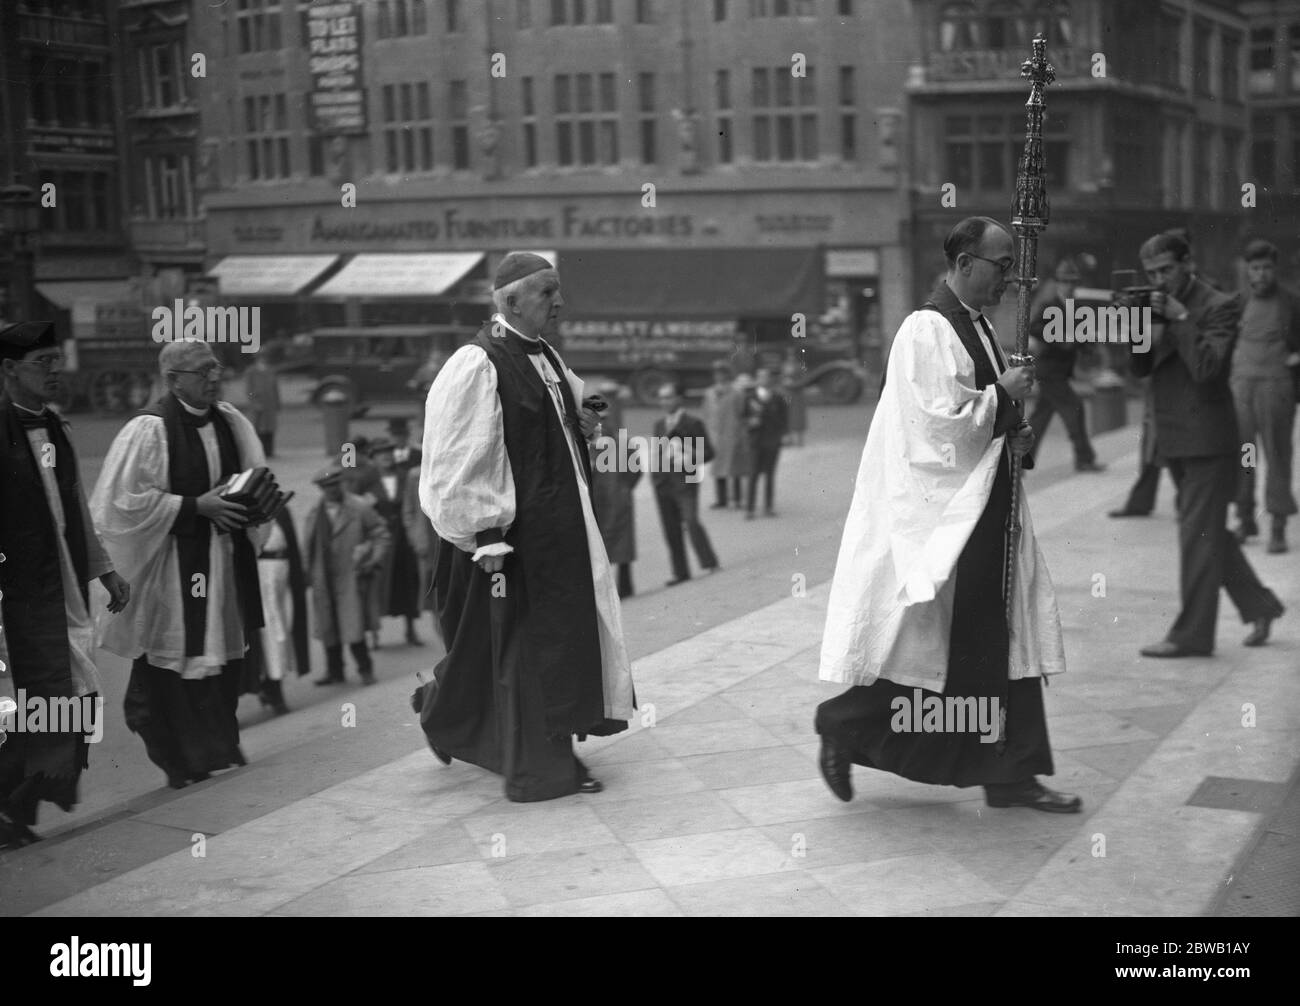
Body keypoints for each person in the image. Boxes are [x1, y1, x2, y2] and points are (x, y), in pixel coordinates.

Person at [816, 216, 1081, 814]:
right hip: (948, 516)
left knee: (997, 638)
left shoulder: (979, 326)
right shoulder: (925, 330)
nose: (1010, 279)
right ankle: (845, 723)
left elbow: (980, 419)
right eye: (1000, 266)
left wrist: (1014, 429)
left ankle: (1011, 774)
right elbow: (933, 427)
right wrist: (1001, 398)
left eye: (1012, 266)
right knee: (952, 645)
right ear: (962, 263)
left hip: (987, 503)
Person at [413, 250, 636, 802]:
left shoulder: (546, 357)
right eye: (546, 293)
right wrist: (486, 535)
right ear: (510, 301)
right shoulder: (476, 364)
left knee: (524, 648)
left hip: (559, 534)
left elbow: (560, 426)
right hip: (508, 543)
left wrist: (585, 421)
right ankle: (546, 766)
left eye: (558, 291)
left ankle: (440, 710)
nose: (559, 302)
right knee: (531, 652)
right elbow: (460, 456)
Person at [90, 340, 274, 790]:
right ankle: (177, 761)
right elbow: (118, 504)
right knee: (169, 667)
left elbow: (256, 473)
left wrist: (254, 502)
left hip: (224, 564)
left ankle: (214, 752)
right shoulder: (148, 430)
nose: (214, 378)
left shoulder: (231, 420)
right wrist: (194, 505)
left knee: (218, 665)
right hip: (171, 569)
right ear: (172, 380)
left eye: (216, 368)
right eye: (201, 372)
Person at [0, 322, 130, 848]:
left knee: (74, 702)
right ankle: (12, 804)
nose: (55, 371)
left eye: (57, 360)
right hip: (18, 599)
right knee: (39, 703)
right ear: (9, 371)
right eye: (42, 363)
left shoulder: (56, 429)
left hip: (66, 591)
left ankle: (17, 805)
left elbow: (73, 506)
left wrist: (106, 569)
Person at [1130, 231, 1286, 656]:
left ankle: (1191, 636)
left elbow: (1206, 369)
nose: (1160, 280)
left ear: (1187, 263)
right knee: (1207, 531)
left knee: (1196, 536)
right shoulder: (1157, 303)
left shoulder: (1220, 305)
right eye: (1152, 274)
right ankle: (1261, 606)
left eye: (1167, 270)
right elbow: (1140, 368)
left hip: (1209, 440)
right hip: (1174, 439)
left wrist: (1180, 320)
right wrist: (1138, 325)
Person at [1230, 239, 1300, 553]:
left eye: (1267, 268)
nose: (1261, 274)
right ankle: (1245, 518)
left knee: (1277, 455)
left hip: (1277, 387)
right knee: (1244, 454)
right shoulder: (1238, 301)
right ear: (1247, 270)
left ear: (1275, 269)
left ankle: (1278, 525)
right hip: (1242, 387)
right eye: (1255, 268)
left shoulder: (1291, 302)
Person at [303, 464, 390, 686]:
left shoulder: (359, 507)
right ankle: (335, 671)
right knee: (328, 624)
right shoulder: (315, 512)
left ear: (341, 483)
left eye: (335, 485)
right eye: (326, 487)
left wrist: (372, 558)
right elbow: (308, 546)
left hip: (351, 575)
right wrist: (307, 574)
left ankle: (365, 670)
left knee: (353, 624)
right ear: (321, 489)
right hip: (324, 577)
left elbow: (380, 533)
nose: (332, 490)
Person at [1026, 258, 1104, 472]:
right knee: (1075, 409)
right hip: (1049, 371)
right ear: (1057, 283)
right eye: (1065, 281)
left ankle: (1019, 461)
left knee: (1039, 419)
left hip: (1061, 371)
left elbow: (1082, 338)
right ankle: (1084, 459)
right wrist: (1059, 338)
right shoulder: (1049, 306)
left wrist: (1088, 348)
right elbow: (1033, 328)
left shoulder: (1077, 308)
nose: (1069, 286)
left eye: (1072, 282)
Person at [652, 382, 719, 586]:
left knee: (690, 520)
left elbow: (709, 452)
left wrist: (688, 458)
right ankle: (681, 572)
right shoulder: (659, 425)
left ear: (679, 399)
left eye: (669, 397)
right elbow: (659, 454)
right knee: (671, 528)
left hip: (686, 481)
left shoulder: (692, 423)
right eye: (662, 398)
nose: (665, 402)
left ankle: (709, 561)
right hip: (663, 483)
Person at [249, 502, 310, 715]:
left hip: (283, 571)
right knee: (271, 632)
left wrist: (299, 573)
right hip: (262, 573)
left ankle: (272, 685)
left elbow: (292, 544)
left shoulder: (279, 508)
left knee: (284, 628)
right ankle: (274, 690)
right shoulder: (247, 508)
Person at [364, 437, 423, 646]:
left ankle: (411, 630)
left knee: (407, 583)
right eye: (381, 455)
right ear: (374, 459)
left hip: (402, 540)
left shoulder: (404, 477)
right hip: (380, 541)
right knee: (376, 587)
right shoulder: (368, 481)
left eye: (389, 453)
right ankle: (374, 634)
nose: (386, 458)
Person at [590, 382, 641, 598]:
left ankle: (623, 587)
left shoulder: (618, 442)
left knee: (617, 542)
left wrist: (624, 487)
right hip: (606, 498)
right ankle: (618, 588)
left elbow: (635, 471)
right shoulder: (593, 445)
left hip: (613, 496)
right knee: (611, 542)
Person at [741, 368, 789, 519]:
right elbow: (742, 418)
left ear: (771, 380)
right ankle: (750, 508)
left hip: (772, 441)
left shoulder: (778, 398)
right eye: (761, 377)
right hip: (755, 441)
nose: (764, 380)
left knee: (770, 474)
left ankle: (768, 507)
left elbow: (784, 418)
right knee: (753, 474)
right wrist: (750, 422)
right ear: (757, 379)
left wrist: (783, 435)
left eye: (767, 377)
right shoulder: (750, 397)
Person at [701, 361, 742, 508]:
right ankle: (721, 499)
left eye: (722, 373)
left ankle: (737, 499)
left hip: (731, 434)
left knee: (734, 467)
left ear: (727, 375)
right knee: (718, 467)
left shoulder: (736, 393)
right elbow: (705, 413)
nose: (719, 377)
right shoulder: (709, 393)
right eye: (717, 374)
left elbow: (741, 413)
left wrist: (739, 432)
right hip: (715, 436)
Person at [243, 354, 281, 458]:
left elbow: (275, 388)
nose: (263, 359)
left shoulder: (271, 370)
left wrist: (277, 402)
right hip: (259, 404)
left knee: (270, 428)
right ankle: (260, 452)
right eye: (261, 357)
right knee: (259, 429)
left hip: (270, 403)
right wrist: (254, 402)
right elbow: (249, 390)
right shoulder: (251, 371)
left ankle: (270, 451)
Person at [781, 360, 807, 447]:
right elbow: (782, 378)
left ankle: (800, 440)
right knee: (786, 416)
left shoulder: (800, 366)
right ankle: (789, 439)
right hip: (787, 395)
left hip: (797, 396)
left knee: (798, 418)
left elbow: (803, 380)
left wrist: (793, 384)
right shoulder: (784, 365)